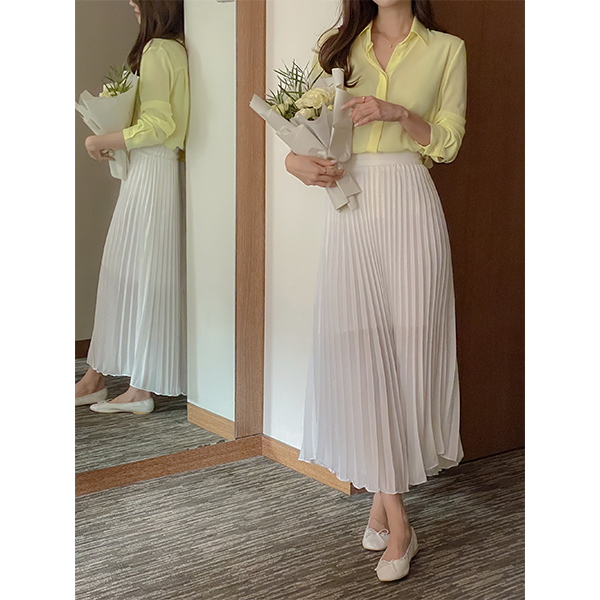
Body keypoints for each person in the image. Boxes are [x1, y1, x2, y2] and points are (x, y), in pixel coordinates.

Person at [286, 0, 466, 582]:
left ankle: (382, 504)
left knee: (411, 351)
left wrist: (398, 112)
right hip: (352, 205)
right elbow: (307, 129)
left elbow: (448, 141)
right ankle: (399, 518)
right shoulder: (341, 48)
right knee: (360, 353)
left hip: (410, 200)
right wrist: (294, 163)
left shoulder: (447, 50)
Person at [75, 0, 190, 415]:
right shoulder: (175, 49)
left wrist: (99, 140)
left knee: (137, 274)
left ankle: (138, 388)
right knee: (130, 272)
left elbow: (160, 125)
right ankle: (97, 378)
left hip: (152, 172)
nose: (131, 3)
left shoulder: (159, 50)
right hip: (154, 171)